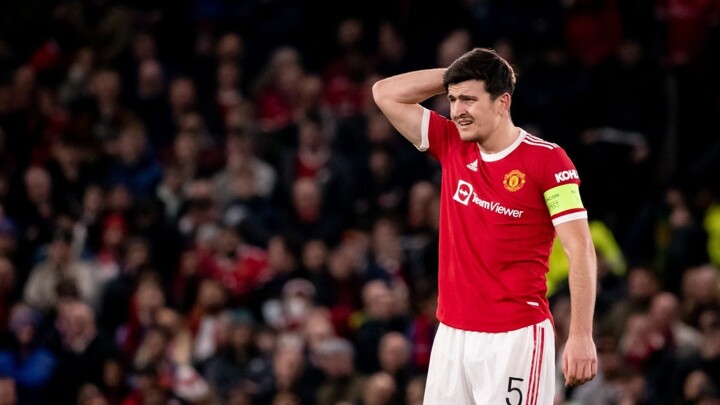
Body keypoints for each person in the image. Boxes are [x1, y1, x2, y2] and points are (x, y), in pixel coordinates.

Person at [372, 47, 598, 404]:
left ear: (502, 102)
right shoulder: (451, 143)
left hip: (515, 336)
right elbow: (384, 93)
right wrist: (456, 75)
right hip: (452, 334)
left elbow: (580, 248)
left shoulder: (547, 160)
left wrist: (581, 335)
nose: (457, 111)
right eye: (453, 100)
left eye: (469, 100)